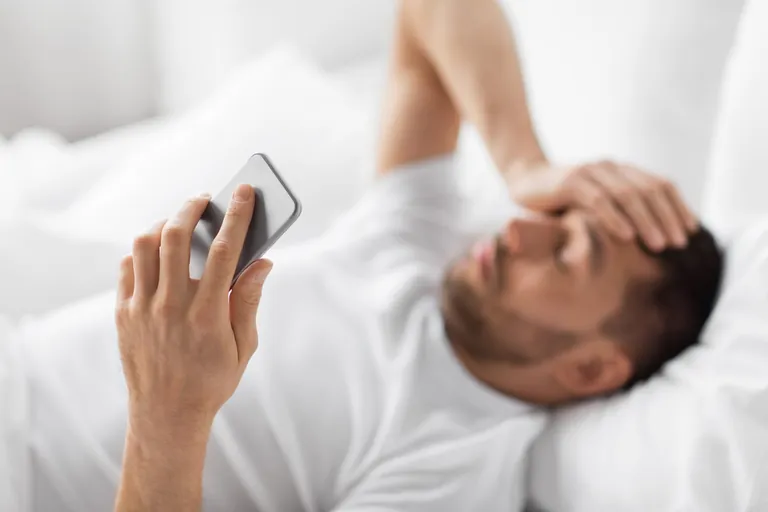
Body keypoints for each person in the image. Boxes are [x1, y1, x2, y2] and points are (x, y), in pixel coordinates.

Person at [4, 0, 723, 511]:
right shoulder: (415, 244)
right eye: (552, 217)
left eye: (567, 254)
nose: (521, 228)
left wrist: (171, 413)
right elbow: (433, 10)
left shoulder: (447, 472)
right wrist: (526, 164)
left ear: (593, 367)